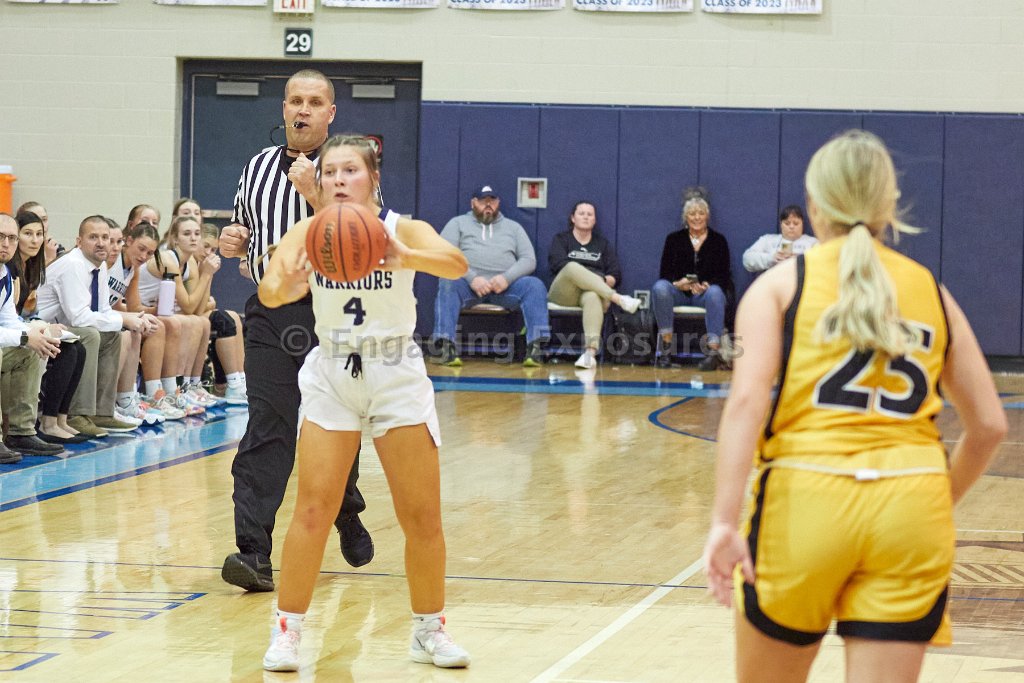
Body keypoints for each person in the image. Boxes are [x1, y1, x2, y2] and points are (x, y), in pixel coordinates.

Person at [702, 130, 1007, 683]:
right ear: (890, 205)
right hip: (911, 511)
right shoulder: (933, 291)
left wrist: (724, 522)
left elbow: (746, 402)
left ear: (815, 205)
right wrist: (935, 498)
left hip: (806, 499)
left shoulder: (779, 286)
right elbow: (988, 425)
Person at [258, 133, 471, 672]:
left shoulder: (403, 228)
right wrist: (290, 284)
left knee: (420, 513)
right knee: (313, 508)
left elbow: (455, 263)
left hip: (395, 370)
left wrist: (406, 256)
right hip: (333, 369)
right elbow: (269, 291)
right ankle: (287, 631)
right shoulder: (309, 231)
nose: (338, 180)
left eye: (349, 170)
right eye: (329, 172)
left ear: (373, 177)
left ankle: (429, 629)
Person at [217, 68, 373, 592]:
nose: (303, 110)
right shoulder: (257, 166)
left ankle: (346, 508)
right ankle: (253, 552)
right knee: (268, 426)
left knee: (333, 427)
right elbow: (245, 234)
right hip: (269, 313)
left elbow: (362, 238)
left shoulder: (351, 167)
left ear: (331, 113)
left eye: (314, 102)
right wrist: (234, 242)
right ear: (284, 109)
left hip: (335, 315)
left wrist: (313, 193)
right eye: (295, 101)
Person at [36, 216, 149, 437]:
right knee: (90, 335)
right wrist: (124, 320)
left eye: (105, 238)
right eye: (93, 237)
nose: (101, 243)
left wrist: (130, 318)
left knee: (113, 334)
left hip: (65, 327)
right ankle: (76, 413)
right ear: (79, 242)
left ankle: (100, 412)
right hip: (43, 328)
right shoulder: (73, 264)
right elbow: (79, 318)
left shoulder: (100, 266)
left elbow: (103, 311)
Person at [432, 184, 550, 367]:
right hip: (468, 286)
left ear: (498, 203)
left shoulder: (514, 227)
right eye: (483, 201)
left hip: (505, 288)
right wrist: (471, 278)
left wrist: (506, 278)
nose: (488, 205)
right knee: (447, 281)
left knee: (534, 285)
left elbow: (529, 260)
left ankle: (536, 349)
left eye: (492, 201)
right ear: (473, 203)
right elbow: (445, 256)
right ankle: (445, 347)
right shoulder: (457, 224)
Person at [10, 212, 90, 444]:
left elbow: (30, 313)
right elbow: (10, 317)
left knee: (77, 347)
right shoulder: (10, 270)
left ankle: (59, 419)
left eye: (39, 234)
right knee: (63, 349)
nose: (35, 240)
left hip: (24, 327)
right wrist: (41, 327)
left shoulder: (33, 268)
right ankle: (45, 423)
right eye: (28, 234)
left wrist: (46, 325)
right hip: (14, 333)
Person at [0, 213, 64, 460]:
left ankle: (21, 433)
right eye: (0, 237)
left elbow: (9, 321)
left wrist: (35, 334)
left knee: (35, 349)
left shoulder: (5, 273)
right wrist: (26, 337)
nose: (6, 244)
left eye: (11, 238)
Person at [547, 200, 641, 369]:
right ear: (573, 218)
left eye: (590, 214)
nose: (586, 217)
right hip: (564, 292)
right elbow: (558, 265)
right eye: (581, 213)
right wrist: (595, 278)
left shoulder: (602, 244)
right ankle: (618, 299)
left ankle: (589, 354)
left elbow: (615, 274)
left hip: (590, 294)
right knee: (572, 267)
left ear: (595, 220)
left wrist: (598, 281)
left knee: (592, 296)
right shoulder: (561, 239)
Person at [650, 195, 733, 370]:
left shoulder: (718, 240)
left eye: (701, 213)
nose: (697, 217)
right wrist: (678, 283)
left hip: (704, 294)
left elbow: (724, 275)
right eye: (692, 213)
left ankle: (713, 353)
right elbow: (665, 272)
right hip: (679, 293)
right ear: (685, 217)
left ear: (707, 216)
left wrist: (707, 285)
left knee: (716, 292)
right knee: (660, 288)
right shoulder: (673, 239)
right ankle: (665, 350)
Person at [104, 219, 165, 426]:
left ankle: (127, 400)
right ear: (128, 241)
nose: (144, 256)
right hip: (93, 317)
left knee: (142, 329)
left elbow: (133, 307)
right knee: (127, 334)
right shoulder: (110, 261)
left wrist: (149, 314)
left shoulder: (133, 270)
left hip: (106, 315)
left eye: (150, 253)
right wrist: (133, 317)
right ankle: (107, 403)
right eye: (141, 249)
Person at [742, 205, 818, 273]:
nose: (791, 227)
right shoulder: (767, 240)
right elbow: (747, 259)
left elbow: (822, 262)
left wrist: (800, 261)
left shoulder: (813, 243)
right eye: (787, 223)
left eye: (796, 223)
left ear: (802, 224)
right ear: (781, 224)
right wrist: (771, 258)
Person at [16, 201, 64, 265]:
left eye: (44, 219)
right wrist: (49, 260)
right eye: (34, 219)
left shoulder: (55, 248)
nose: (42, 225)